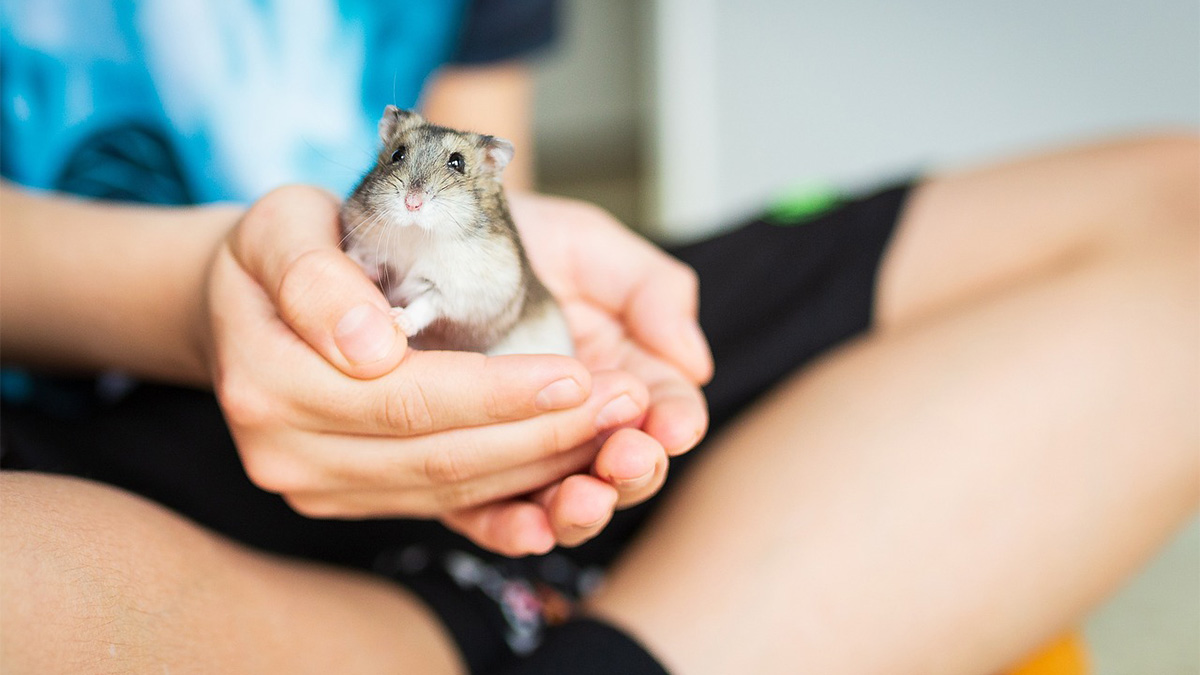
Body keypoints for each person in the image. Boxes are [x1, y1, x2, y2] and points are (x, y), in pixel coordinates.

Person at [1, 2, 1196, 674]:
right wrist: (203, 296)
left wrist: (503, 321)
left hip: (474, 369)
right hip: (87, 413)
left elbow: (480, 177)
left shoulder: (453, 176)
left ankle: (571, 640)